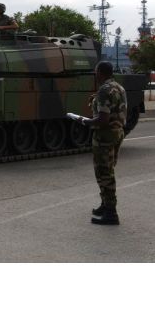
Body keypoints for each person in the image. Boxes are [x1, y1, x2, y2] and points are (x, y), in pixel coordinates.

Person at [71, 61, 126, 225]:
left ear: (101, 73)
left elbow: (102, 120)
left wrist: (83, 121)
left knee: (104, 173)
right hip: (117, 133)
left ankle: (111, 213)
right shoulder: (118, 87)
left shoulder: (104, 90)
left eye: (96, 72)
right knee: (107, 170)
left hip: (105, 135)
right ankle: (105, 204)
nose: (95, 75)